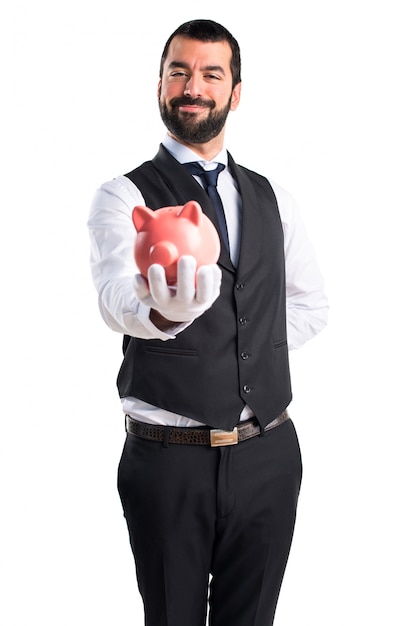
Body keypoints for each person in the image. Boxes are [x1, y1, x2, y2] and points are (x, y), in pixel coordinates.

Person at [88, 19, 328, 626]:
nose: (193, 86)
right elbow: (117, 296)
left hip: (269, 454)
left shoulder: (275, 200)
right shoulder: (124, 197)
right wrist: (164, 312)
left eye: (211, 74)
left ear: (234, 92)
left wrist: (249, 350)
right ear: (161, 85)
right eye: (179, 71)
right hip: (169, 460)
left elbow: (309, 305)